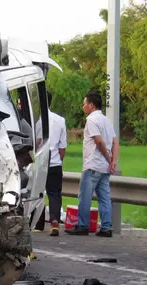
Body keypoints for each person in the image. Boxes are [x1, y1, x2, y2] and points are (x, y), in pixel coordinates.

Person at [66, 92, 118, 238]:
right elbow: (115, 141)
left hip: (93, 164)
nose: (83, 107)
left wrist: (109, 158)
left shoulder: (91, 120)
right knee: (105, 197)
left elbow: (99, 141)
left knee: (84, 196)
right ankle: (106, 227)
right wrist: (113, 161)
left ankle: (83, 225)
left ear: (91, 105)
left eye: (84, 104)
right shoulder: (106, 120)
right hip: (104, 168)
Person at [36, 92, 68, 237]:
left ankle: (38, 223)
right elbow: (62, 147)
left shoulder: (36, 120)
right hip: (55, 162)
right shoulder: (60, 120)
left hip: (40, 162)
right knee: (55, 193)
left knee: (38, 193)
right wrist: (59, 161)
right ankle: (54, 221)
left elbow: (35, 143)